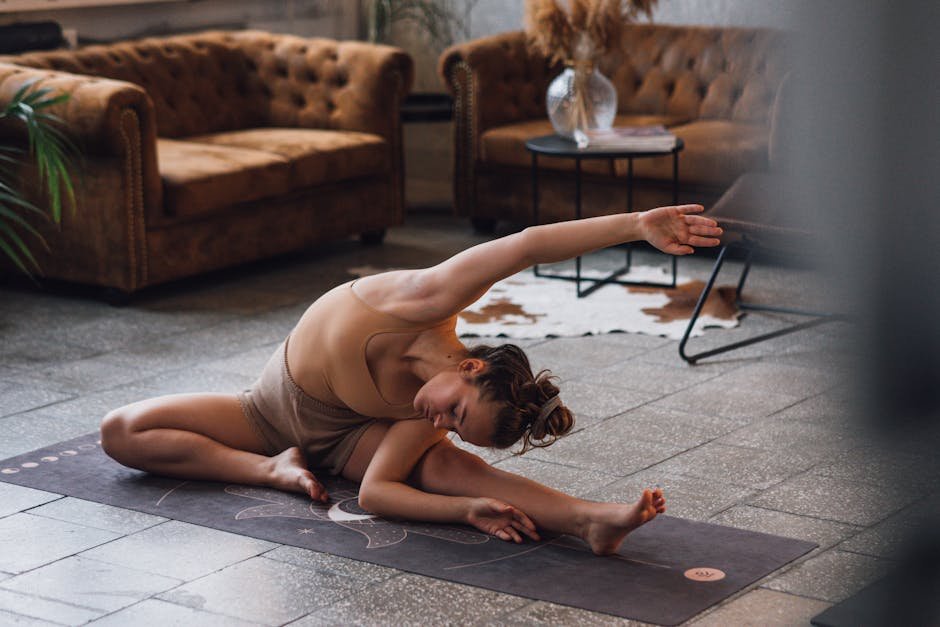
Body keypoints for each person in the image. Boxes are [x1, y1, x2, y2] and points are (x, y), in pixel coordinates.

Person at [101, 205, 721, 554]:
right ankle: (270, 471)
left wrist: (464, 508)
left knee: (451, 468)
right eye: (455, 412)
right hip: (264, 416)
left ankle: (589, 518)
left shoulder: (415, 415)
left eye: (453, 426)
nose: (439, 422)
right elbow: (527, 244)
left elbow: (375, 494)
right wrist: (636, 225)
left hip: (347, 442)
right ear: (470, 366)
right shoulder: (426, 299)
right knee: (122, 432)